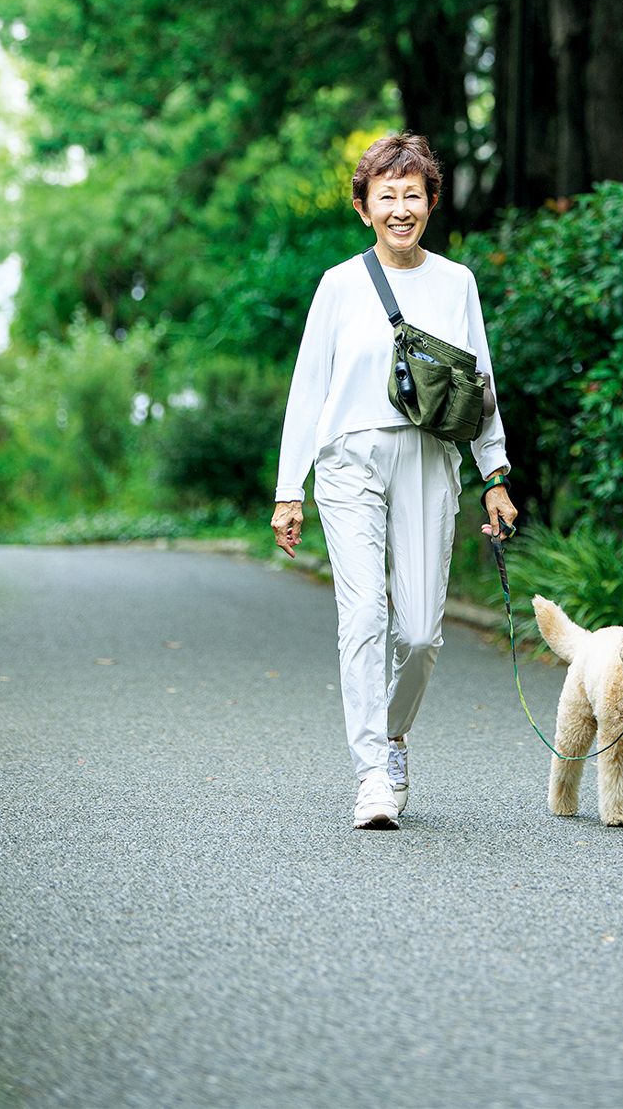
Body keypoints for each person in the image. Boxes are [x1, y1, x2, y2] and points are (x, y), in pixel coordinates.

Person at [270, 130, 518, 828]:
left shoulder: (456, 282)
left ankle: (393, 731)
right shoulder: (339, 286)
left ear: (431, 204)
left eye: (413, 195)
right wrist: (290, 489)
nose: (401, 208)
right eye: (387, 196)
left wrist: (493, 474)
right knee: (364, 618)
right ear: (364, 208)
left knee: (419, 633)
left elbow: (479, 384)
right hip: (349, 460)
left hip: (430, 460)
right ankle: (372, 774)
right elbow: (308, 389)